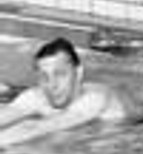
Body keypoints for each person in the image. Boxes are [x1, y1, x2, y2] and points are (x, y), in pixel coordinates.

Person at [0, 37, 129, 148]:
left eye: (60, 74)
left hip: (140, 118)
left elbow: (36, 127)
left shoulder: (95, 99)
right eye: (45, 77)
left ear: (78, 73)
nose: (52, 85)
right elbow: (9, 113)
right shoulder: (36, 96)